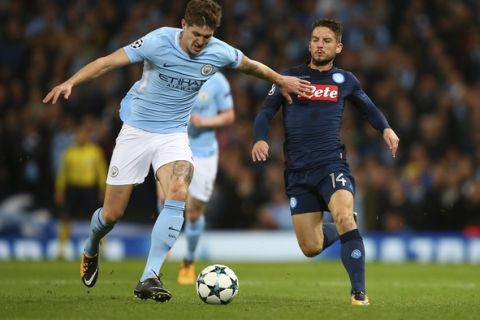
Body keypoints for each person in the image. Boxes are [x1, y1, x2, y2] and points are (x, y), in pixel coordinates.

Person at [43, 0, 310, 303]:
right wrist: (70, 82)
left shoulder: (218, 51)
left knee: (179, 189)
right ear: (184, 25)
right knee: (112, 214)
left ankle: (149, 276)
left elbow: (251, 65)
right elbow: (106, 62)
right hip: (137, 131)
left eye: (206, 36)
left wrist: (281, 79)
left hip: (173, 134)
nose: (200, 41)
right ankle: (92, 245)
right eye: (196, 33)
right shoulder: (157, 41)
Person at [251, 18, 399, 306]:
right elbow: (265, 112)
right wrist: (259, 138)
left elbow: (368, 108)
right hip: (297, 171)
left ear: (339, 47)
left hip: (331, 164)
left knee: (342, 215)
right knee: (311, 247)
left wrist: (386, 129)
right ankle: (345, 225)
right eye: (316, 39)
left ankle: (359, 292)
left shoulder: (345, 80)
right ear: (309, 44)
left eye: (327, 40)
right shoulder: (289, 77)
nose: (320, 45)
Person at [155, 71, 235, 285]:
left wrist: (205, 121)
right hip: (176, 147)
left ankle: (188, 260)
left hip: (204, 153)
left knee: (193, 213)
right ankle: (163, 249)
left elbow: (229, 115)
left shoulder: (218, 80)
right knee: (165, 198)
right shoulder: (175, 73)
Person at [54, 120, 107, 259]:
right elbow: (63, 173)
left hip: (90, 189)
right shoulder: (69, 152)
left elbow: (101, 171)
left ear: (87, 135)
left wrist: (103, 189)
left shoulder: (94, 151)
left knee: (98, 219)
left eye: (83, 134)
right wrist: (60, 189)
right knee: (66, 217)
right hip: (73, 189)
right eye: (78, 134)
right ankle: (61, 250)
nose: (80, 137)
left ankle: (104, 249)